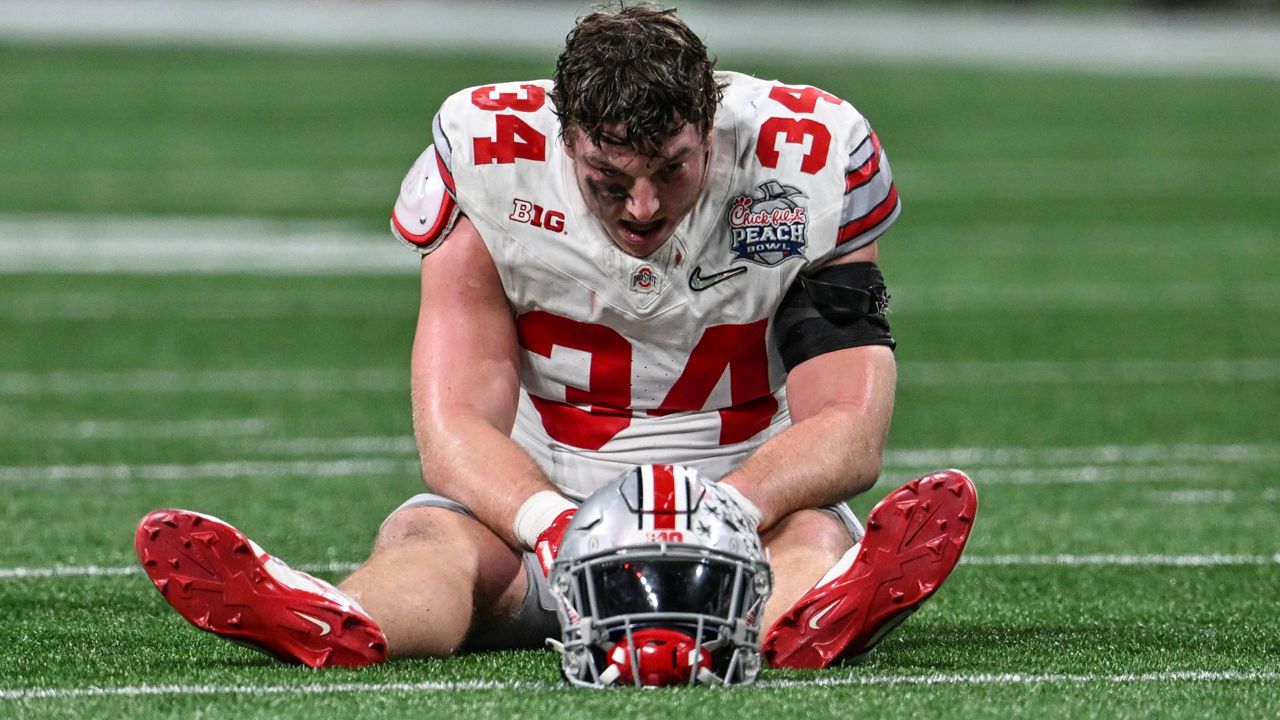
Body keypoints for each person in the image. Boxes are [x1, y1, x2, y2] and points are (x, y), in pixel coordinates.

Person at [135, 3, 977, 673]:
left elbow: (847, 426)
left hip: (744, 498)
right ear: (561, 135)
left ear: (710, 124)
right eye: (609, 181)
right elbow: (455, 424)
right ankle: (340, 614)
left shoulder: (807, 156)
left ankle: (802, 612)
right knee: (432, 544)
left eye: (672, 170)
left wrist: (730, 511)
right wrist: (555, 529)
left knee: (810, 535)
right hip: (542, 503)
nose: (643, 208)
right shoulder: (488, 156)